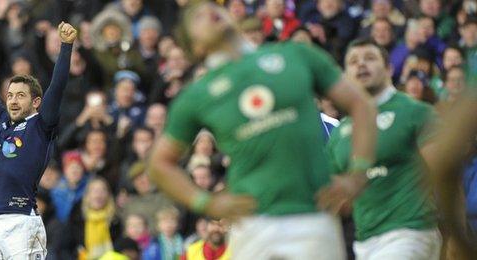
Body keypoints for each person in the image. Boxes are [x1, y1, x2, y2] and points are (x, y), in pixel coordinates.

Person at [147, 2, 377, 259]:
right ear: (196, 47)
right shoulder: (196, 96)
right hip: (252, 222)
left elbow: (362, 104)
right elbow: (159, 164)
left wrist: (358, 174)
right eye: (196, 17)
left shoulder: (296, 54)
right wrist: (207, 202)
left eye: (212, 7)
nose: (208, 12)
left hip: (313, 214)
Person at [325, 38, 442, 259]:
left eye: (369, 58)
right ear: (346, 76)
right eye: (353, 61)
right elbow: (335, 201)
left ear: (389, 68)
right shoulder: (340, 134)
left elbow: (444, 172)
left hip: (411, 231)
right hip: (365, 242)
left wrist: (455, 230)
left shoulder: (415, 112)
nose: (361, 64)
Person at [0, 21, 77, 259]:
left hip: (23, 223)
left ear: (36, 102)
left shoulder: (41, 124)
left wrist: (66, 46)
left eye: (20, 95)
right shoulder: (1, 123)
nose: (13, 101)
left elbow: (57, 86)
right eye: (9, 96)